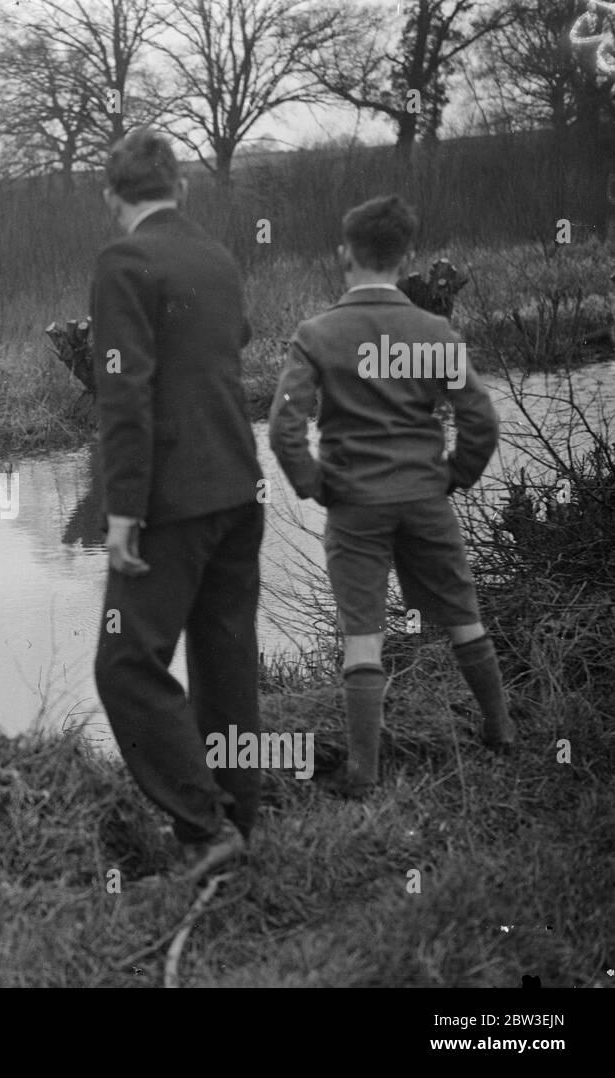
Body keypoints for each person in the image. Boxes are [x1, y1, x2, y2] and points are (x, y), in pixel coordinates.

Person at [268, 195, 513, 800]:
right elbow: (481, 420)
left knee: (362, 635)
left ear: (344, 254)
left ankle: (363, 773)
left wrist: (315, 483)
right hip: (425, 496)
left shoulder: (318, 334)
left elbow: (283, 427)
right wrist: (453, 475)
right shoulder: (432, 331)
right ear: (408, 258)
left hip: (355, 505)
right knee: (462, 616)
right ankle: (501, 730)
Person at [91, 128, 264, 884]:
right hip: (239, 486)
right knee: (226, 659)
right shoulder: (217, 257)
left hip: (173, 500)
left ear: (111, 197)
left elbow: (125, 392)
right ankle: (238, 814)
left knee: (126, 664)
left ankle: (202, 827)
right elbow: (231, 345)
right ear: (181, 189)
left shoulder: (124, 261)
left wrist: (124, 509)